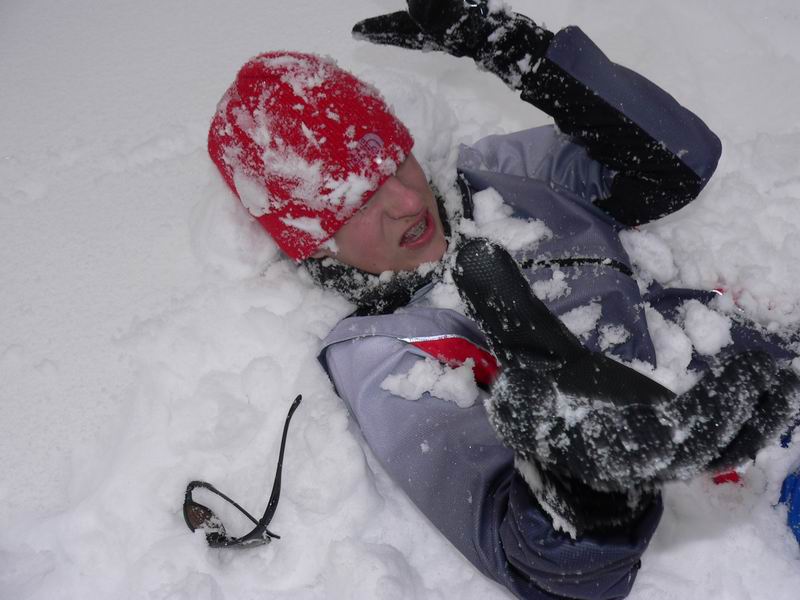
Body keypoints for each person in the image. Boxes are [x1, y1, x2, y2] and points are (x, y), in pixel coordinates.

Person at [207, 1, 800, 598]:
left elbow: (677, 161)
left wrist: (528, 57)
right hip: (761, 502)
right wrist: (582, 494)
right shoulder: (384, 352)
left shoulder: (499, 176)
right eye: (359, 200)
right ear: (315, 243)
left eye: (396, 162)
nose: (408, 201)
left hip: (778, 376)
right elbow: (520, 550)